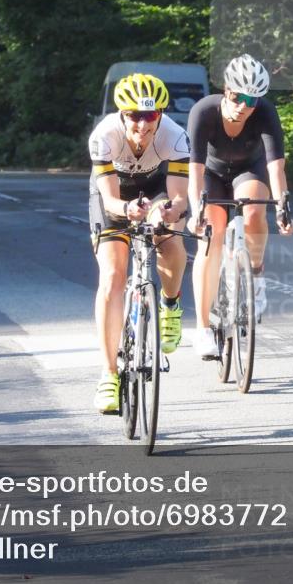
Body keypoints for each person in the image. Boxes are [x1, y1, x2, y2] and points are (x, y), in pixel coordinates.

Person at [88, 73, 190, 412]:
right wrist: (128, 209)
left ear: (160, 114)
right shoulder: (104, 135)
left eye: (151, 115)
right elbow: (110, 200)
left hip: (156, 188)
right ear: (122, 113)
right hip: (115, 197)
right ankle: (109, 374)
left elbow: (178, 200)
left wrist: (168, 213)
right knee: (113, 278)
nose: (143, 124)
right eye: (135, 115)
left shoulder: (175, 137)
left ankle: (170, 304)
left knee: (171, 240)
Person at [187, 54, 293, 359]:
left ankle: (256, 276)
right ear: (226, 90)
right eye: (237, 97)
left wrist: (283, 208)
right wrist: (196, 210)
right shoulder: (203, 112)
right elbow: (193, 171)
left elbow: (276, 168)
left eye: (252, 100)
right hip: (211, 173)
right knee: (212, 234)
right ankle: (203, 328)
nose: (244, 106)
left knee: (253, 211)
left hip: (250, 168)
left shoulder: (265, 114)